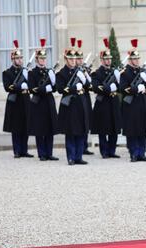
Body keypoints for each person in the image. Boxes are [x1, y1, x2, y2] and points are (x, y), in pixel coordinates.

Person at [56, 38, 90, 166]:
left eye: (74, 59)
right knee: (70, 133)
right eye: (70, 59)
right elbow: (60, 89)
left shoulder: (79, 71)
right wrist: (73, 88)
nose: (73, 61)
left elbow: (88, 87)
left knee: (81, 131)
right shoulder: (62, 73)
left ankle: (79, 156)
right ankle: (71, 157)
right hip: (69, 106)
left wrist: (85, 79)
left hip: (80, 105)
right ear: (66, 59)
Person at [120, 39, 146, 162]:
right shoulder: (125, 72)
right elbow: (123, 88)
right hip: (131, 104)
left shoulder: (142, 71)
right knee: (132, 129)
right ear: (130, 60)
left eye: (138, 59)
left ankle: (142, 152)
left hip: (142, 103)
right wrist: (136, 88)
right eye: (134, 59)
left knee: (142, 129)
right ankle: (133, 153)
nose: (137, 61)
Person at [28, 38, 59, 161]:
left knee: (50, 128)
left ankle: (49, 153)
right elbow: (32, 89)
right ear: (36, 59)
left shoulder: (49, 71)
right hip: (38, 103)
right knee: (40, 129)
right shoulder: (32, 73)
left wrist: (53, 80)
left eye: (44, 58)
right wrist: (44, 89)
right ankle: (41, 153)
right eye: (41, 58)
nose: (43, 60)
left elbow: (56, 88)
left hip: (49, 103)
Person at [91, 38, 122, 159]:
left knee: (114, 128)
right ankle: (104, 151)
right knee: (103, 129)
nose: (108, 61)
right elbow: (96, 87)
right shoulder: (97, 73)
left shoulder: (115, 72)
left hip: (113, 102)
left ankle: (112, 150)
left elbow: (121, 86)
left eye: (109, 59)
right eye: (106, 59)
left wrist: (117, 85)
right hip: (103, 104)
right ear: (102, 60)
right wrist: (109, 88)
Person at [2, 40, 33, 159]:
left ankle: (24, 150)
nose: (20, 60)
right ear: (13, 59)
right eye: (17, 58)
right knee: (16, 127)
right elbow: (7, 87)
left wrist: (27, 82)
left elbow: (33, 84)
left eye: (21, 58)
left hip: (25, 101)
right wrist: (20, 86)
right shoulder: (7, 73)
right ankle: (17, 150)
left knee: (25, 126)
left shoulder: (25, 71)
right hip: (15, 102)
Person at [76, 39, 95, 155]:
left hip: (85, 98)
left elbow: (90, 85)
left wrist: (86, 74)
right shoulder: (73, 71)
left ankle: (84, 146)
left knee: (86, 121)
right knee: (78, 122)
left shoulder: (83, 70)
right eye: (78, 59)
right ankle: (79, 146)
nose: (80, 61)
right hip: (76, 99)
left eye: (81, 58)